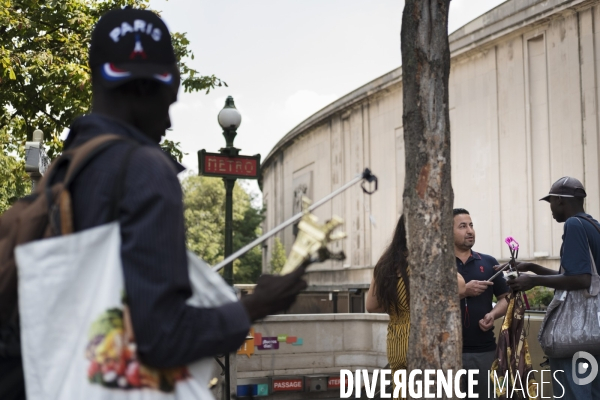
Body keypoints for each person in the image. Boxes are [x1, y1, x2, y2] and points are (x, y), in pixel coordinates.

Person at [2, 8, 307, 399]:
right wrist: (257, 305)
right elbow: (162, 337)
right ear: (147, 88)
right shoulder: (145, 171)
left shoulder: (65, 171)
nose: (169, 121)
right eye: (169, 100)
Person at [506, 176, 600, 398]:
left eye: (550, 202)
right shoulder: (593, 225)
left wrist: (533, 281)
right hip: (593, 336)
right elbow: (569, 276)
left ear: (559, 200)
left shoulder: (574, 224)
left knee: (574, 393)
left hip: (576, 340)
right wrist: (532, 267)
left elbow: (582, 280)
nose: (550, 209)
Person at [366, 215, 466, 398]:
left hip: (397, 343)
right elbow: (460, 286)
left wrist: (400, 306)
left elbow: (371, 305)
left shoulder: (385, 263)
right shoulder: (427, 261)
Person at [454, 208, 509, 399]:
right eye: (462, 226)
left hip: (485, 351)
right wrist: (463, 292)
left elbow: (505, 298)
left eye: (471, 225)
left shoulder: (488, 261)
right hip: (448, 353)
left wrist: (493, 315)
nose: (470, 230)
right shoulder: (440, 266)